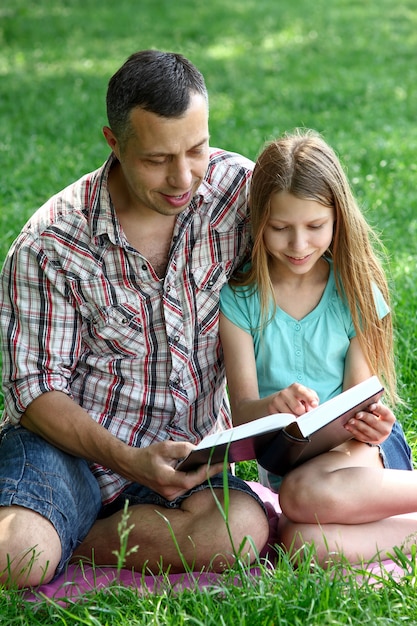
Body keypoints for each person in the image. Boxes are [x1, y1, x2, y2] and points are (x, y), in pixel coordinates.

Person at [0, 49, 270, 588]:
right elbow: (33, 390)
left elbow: (321, 247)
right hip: (73, 450)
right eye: (156, 159)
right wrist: (128, 460)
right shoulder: (51, 242)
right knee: (17, 558)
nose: (183, 176)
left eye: (197, 148)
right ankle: (51, 528)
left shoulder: (238, 194)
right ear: (113, 143)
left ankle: (74, 536)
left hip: (191, 453)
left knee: (240, 531)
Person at [219, 129, 417, 566]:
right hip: (294, 469)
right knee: (300, 543)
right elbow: (242, 410)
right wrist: (274, 405)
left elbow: (359, 400)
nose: (298, 244)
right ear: (259, 222)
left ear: (337, 219)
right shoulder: (240, 299)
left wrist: (375, 422)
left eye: (314, 227)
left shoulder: (355, 289)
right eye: (280, 228)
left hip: (363, 457)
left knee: (300, 494)